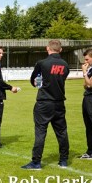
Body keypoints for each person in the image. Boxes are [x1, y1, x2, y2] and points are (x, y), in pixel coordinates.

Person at [21, 40, 70, 170]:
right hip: (59, 103)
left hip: (44, 102)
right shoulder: (65, 64)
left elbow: (34, 82)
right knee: (62, 132)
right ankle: (64, 160)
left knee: (40, 132)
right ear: (60, 50)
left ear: (47, 48)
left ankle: (36, 162)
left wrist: (42, 83)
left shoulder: (42, 63)